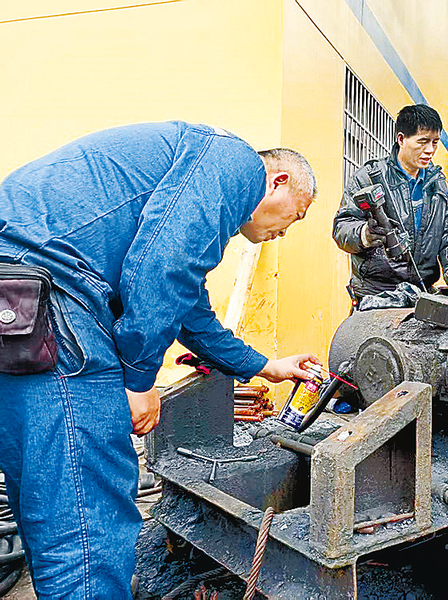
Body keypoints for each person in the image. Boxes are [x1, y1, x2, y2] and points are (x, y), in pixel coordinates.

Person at [0, 122, 320, 598]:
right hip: (55, 299)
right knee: (88, 521)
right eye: (296, 215)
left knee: (49, 494)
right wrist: (139, 378)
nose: (284, 232)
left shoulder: (184, 174)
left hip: (17, 304)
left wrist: (266, 367)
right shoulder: (235, 163)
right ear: (277, 181)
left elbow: (190, 309)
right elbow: (163, 268)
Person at [332, 104, 448, 302]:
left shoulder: (437, 184)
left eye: (435, 142)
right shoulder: (369, 177)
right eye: (423, 142)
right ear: (401, 139)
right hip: (376, 296)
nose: (430, 150)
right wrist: (364, 235)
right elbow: (342, 228)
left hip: (421, 296)